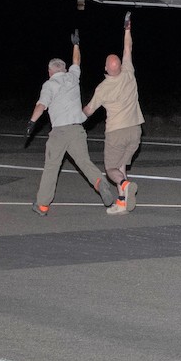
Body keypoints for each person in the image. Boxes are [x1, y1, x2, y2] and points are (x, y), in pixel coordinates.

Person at [29, 29, 113, 214]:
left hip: (59, 132)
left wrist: (32, 122)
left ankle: (42, 205)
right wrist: (76, 44)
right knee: (84, 162)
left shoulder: (49, 84)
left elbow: (41, 105)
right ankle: (100, 183)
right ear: (64, 69)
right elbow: (77, 62)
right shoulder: (72, 78)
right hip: (77, 130)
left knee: (52, 167)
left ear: (50, 71)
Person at [82, 12, 144, 215]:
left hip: (116, 132)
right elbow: (128, 48)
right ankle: (122, 203)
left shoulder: (102, 88)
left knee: (111, 170)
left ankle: (125, 185)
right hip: (135, 130)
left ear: (106, 68)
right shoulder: (128, 72)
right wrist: (127, 29)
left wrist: (76, 115)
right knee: (121, 166)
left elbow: (89, 111)